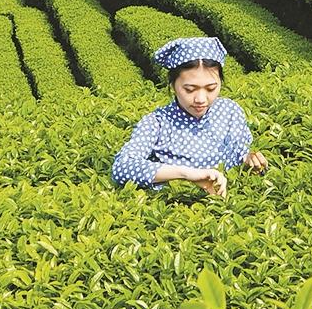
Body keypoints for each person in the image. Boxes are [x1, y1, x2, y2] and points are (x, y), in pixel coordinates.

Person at [111, 37, 266, 197]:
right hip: (177, 211)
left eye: (211, 88)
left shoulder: (230, 111)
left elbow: (238, 152)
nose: (201, 99)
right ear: (173, 85)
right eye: (190, 89)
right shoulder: (157, 122)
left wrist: (249, 160)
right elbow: (122, 166)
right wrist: (186, 174)